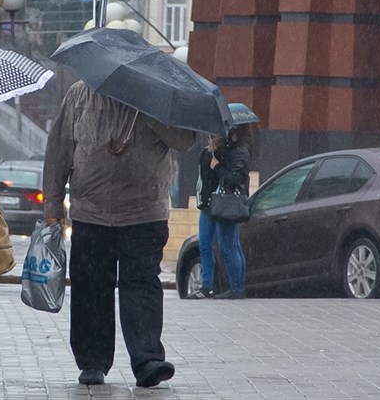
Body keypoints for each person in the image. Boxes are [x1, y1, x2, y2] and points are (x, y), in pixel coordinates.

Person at [42, 81, 196, 387]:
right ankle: (92, 362)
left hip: (143, 213)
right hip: (91, 213)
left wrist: (151, 109)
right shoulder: (78, 94)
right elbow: (59, 150)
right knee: (90, 289)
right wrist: (53, 205)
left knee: (140, 287)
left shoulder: (157, 95)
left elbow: (184, 140)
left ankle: (147, 359)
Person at [200, 125, 251, 300]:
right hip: (224, 203)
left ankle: (237, 288)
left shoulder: (239, 152)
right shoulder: (233, 150)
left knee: (229, 246)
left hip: (229, 203)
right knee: (230, 246)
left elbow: (237, 178)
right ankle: (237, 287)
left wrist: (218, 167)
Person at [189, 134, 225, 299]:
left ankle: (223, 283)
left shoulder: (225, 153)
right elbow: (201, 179)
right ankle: (207, 285)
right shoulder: (204, 153)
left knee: (222, 246)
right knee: (205, 246)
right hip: (206, 205)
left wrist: (217, 166)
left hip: (220, 205)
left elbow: (227, 178)